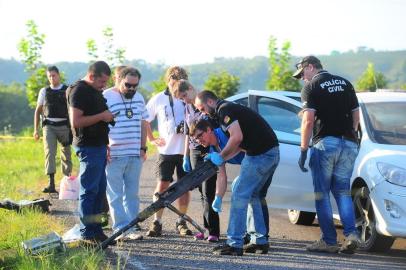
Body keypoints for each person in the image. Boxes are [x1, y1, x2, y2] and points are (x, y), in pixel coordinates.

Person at [194, 90, 280, 256]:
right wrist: (222, 158)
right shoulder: (229, 109)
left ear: (210, 102)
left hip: (260, 154)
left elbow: (237, 137)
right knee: (253, 195)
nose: (203, 113)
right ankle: (259, 242)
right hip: (270, 152)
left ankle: (234, 243)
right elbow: (239, 144)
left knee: (239, 194)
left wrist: (220, 157)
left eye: (202, 108)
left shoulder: (224, 110)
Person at [292, 55, 361, 254]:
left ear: (310, 67)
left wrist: (303, 149)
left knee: (321, 194)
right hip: (349, 143)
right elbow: (356, 116)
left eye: (303, 74)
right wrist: (351, 136)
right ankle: (351, 234)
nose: (303, 79)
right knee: (342, 191)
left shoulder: (311, 87)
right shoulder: (345, 83)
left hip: (325, 143)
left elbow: (308, 121)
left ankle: (330, 241)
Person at [67, 60, 116, 246]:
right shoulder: (79, 90)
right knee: (89, 191)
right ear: (92, 75)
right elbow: (76, 121)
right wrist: (103, 116)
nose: (104, 86)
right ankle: (87, 233)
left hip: (99, 145)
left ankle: (96, 231)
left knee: (99, 191)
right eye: (102, 82)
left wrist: (106, 143)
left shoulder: (94, 90)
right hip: (88, 146)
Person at [144, 66, 192, 237]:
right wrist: (151, 139)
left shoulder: (188, 97)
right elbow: (145, 119)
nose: (175, 85)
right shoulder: (158, 98)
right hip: (166, 150)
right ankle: (157, 221)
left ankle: (182, 221)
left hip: (186, 150)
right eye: (173, 80)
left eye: (180, 80)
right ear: (168, 80)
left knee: (185, 187)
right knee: (162, 185)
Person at [170, 79, 220, 242]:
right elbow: (187, 133)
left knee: (209, 191)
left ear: (191, 89)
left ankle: (214, 231)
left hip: (207, 149)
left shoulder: (203, 104)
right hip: (193, 150)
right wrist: (185, 155)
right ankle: (206, 229)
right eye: (181, 98)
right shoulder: (187, 107)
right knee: (201, 192)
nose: (185, 99)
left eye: (184, 95)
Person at [103, 67, 148, 240]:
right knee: (115, 194)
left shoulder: (139, 97)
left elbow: (144, 123)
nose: (132, 89)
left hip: (134, 154)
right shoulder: (106, 96)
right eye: (128, 85)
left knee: (132, 194)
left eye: (135, 86)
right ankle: (119, 229)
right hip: (113, 154)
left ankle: (131, 227)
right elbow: (100, 125)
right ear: (118, 79)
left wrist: (143, 147)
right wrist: (104, 146)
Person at [33, 66, 72, 193]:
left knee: (66, 153)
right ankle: (51, 183)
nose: (51, 78)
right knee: (49, 153)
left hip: (64, 126)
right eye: (49, 76)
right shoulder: (44, 91)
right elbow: (38, 110)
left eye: (53, 75)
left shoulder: (67, 90)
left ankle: (67, 182)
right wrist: (36, 129)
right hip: (49, 126)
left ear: (58, 75)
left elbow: (73, 110)